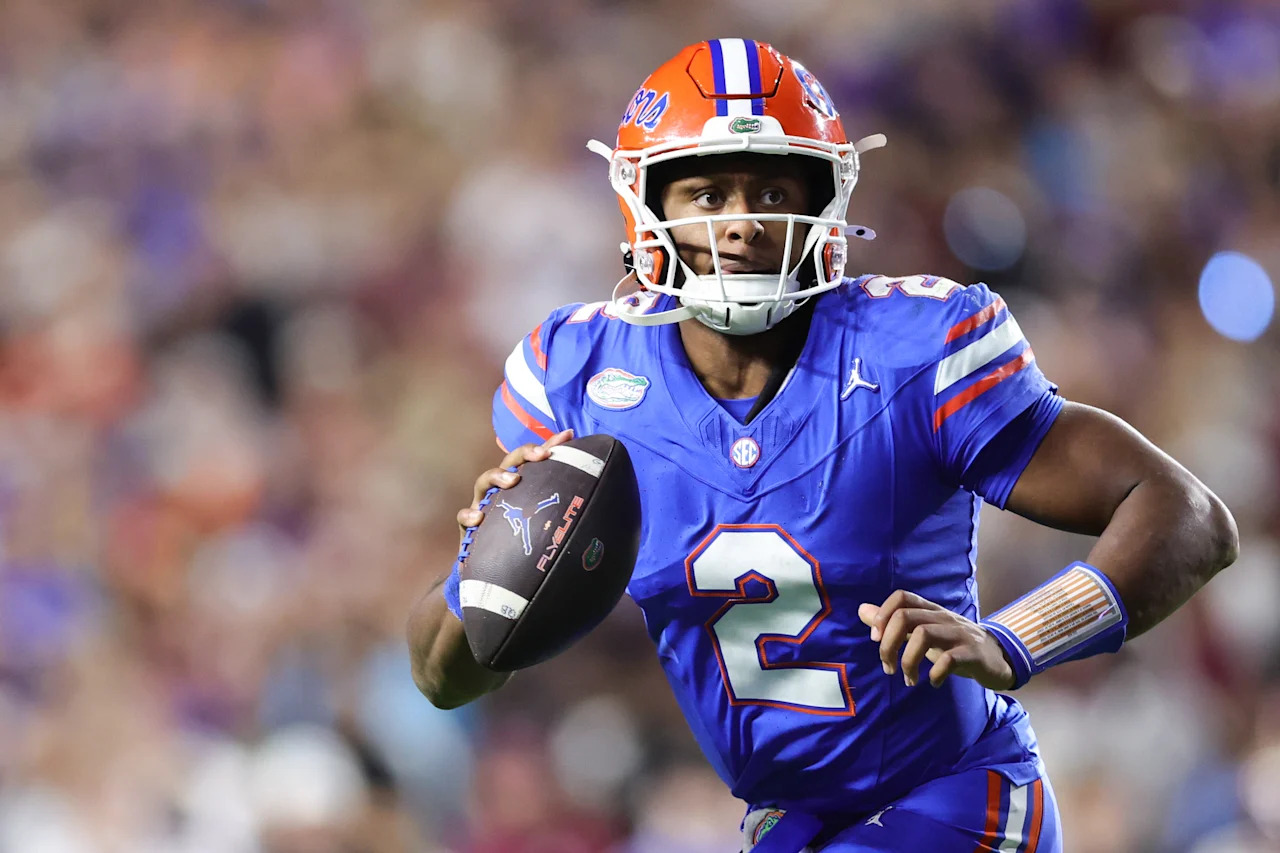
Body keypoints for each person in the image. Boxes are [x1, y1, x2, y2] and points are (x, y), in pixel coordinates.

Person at [407, 39, 1238, 852]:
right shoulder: (579, 377)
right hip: (788, 819)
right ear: (647, 206)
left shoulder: (914, 350)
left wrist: (1014, 638)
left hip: (953, 796)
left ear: (825, 200)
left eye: (771, 189)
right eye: (706, 194)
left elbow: (1190, 516)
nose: (742, 226)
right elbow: (444, 678)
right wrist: (491, 563)